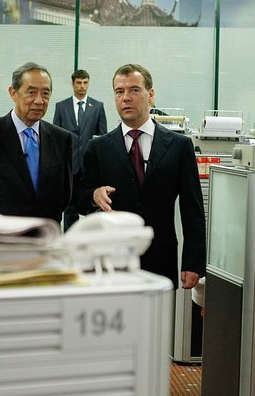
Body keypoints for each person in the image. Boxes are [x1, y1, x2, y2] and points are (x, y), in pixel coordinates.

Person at [78, 63, 206, 289]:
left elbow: (192, 208)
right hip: (111, 262)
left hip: (160, 258)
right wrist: (93, 195)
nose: (126, 98)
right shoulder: (98, 147)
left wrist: (193, 262)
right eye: (119, 92)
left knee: (157, 324)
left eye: (134, 90)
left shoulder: (179, 146)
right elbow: (78, 198)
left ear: (151, 95)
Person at [0, 62, 72, 223]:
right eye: (31, 92)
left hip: (46, 239)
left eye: (45, 93)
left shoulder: (61, 139)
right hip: (0, 241)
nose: (39, 101)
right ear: (13, 93)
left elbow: (65, 195)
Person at [53, 69, 107, 231]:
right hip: (69, 165)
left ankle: (90, 242)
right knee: (69, 208)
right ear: (73, 84)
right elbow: (56, 137)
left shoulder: (97, 107)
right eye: (79, 82)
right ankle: (70, 243)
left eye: (85, 82)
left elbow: (102, 137)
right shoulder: (61, 107)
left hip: (89, 165)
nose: (82, 86)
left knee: (92, 206)